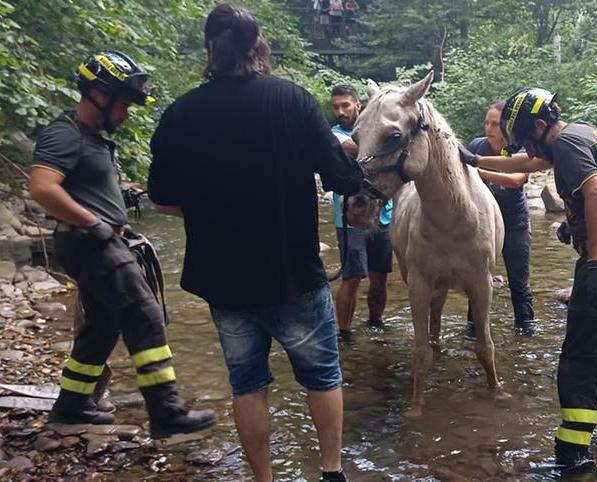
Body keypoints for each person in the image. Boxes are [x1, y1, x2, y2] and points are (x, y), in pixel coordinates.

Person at [147, 5, 363, 482]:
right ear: (257, 46)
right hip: (293, 274)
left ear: (210, 49)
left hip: (224, 282)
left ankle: (263, 478)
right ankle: (332, 473)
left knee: (247, 384)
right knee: (323, 376)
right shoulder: (293, 101)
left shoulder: (181, 114)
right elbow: (343, 179)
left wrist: (210, 208)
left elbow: (162, 201)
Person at [29, 50, 217, 438]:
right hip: (90, 242)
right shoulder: (64, 133)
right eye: (124, 103)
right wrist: (95, 223)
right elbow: (42, 188)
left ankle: (73, 406)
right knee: (142, 313)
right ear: (100, 94)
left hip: (96, 240)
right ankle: (167, 411)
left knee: (101, 326)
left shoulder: (91, 138)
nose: (127, 113)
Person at [464, 87, 597, 472]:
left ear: (541, 125)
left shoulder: (564, 143)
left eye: (526, 142)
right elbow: (531, 166)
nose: (527, 152)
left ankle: (572, 456)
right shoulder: (587, 133)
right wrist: (473, 158)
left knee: (579, 359)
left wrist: (594, 263)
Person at [465, 101, 535, 336]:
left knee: (518, 279)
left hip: (514, 221)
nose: (489, 128)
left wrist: (479, 170)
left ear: (507, 126)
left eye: (495, 124)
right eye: (487, 123)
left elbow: (517, 179)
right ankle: (473, 327)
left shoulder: (521, 148)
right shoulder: (477, 146)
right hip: (481, 224)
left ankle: (525, 327)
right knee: (476, 277)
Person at [329, 84, 394, 336]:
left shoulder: (373, 129)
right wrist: (380, 141)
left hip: (384, 215)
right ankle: (344, 333)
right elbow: (351, 147)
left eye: (346, 105)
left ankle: (376, 325)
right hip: (349, 219)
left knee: (380, 278)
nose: (341, 111)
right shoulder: (332, 134)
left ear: (358, 105)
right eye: (336, 107)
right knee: (352, 277)